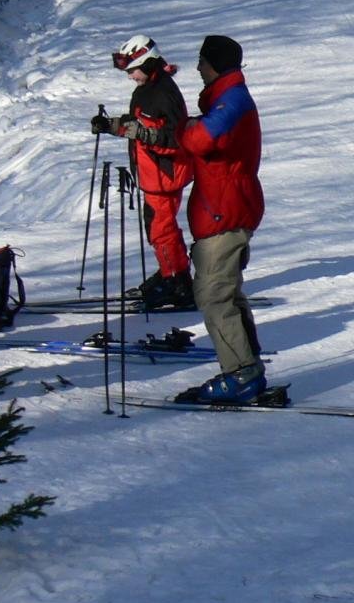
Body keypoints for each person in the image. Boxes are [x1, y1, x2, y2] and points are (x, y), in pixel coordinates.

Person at [133, 34, 267, 405]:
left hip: (226, 211)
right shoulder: (226, 97)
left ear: (216, 64)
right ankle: (246, 367)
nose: (197, 68)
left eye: (202, 61)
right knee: (227, 294)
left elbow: (201, 139)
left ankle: (241, 373)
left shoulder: (233, 99)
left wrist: (183, 128)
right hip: (222, 208)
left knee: (213, 295)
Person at [91, 35, 193, 311]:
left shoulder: (163, 93)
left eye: (132, 70)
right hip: (151, 172)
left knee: (161, 229)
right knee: (158, 227)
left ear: (148, 63)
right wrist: (110, 125)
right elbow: (137, 123)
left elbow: (174, 138)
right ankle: (171, 272)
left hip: (164, 173)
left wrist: (140, 132)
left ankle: (178, 283)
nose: (130, 76)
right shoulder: (147, 88)